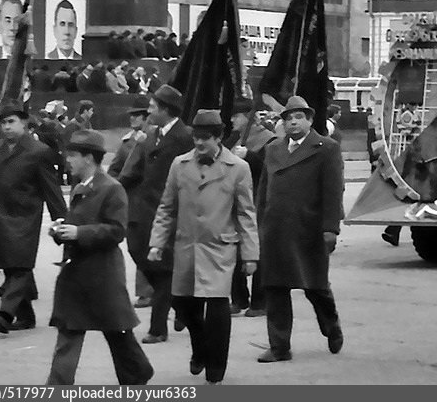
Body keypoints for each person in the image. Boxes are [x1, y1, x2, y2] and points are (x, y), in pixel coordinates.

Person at [148, 110, 257, 385]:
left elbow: (246, 213)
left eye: (206, 138)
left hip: (220, 247)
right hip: (187, 245)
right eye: (196, 137)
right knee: (184, 305)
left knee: (218, 307)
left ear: (219, 137)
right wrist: (157, 242)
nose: (199, 143)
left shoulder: (238, 168)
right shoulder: (179, 165)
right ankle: (199, 349)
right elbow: (166, 207)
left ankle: (216, 370)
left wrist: (251, 254)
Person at [46, 130, 154, 385]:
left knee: (117, 333)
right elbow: (78, 224)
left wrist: (79, 232)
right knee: (68, 333)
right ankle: (57, 386)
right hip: (76, 275)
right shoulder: (79, 187)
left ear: (89, 158)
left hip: (102, 276)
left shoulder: (112, 188)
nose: (67, 160)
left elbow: (117, 231)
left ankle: (137, 373)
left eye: (72, 155)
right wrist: (61, 230)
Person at [256, 96, 345, 363]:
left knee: (315, 287)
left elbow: (333, 191)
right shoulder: (273, 149)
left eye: (298, 117)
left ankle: (331, 326)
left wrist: (330, 228)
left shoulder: (326, 148)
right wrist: (258, 225)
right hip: (275, 229)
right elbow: (263, 190)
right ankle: (279, 347)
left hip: (310, 229)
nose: (293, 122)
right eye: (288, 118)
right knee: (275, 288)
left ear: (309, 120)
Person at [0, 99, 68, 333]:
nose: (6, 127)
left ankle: (5, 313)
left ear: (24, 123)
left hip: (25, 217)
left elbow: (51, 189)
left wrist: (61, 219)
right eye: (3, 123)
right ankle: (26, 317)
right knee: (10, 267)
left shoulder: (39, 152)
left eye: (11, 122)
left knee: (21, 266)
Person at [119, 84, 194, 344]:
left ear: (165, 110)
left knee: (163, 271)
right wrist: (110, 191)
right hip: (143, 212)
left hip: (170, 213)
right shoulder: (150, 135)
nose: (148, 111)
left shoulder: (186, 137)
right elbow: (132, 172)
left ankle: (158, 329)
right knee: (139, 254)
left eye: (152, 107)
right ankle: (182, 307)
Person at [224, 99, 274, 317]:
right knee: (233, 250)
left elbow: (270, 171)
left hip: (258, 202)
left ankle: (260, 301)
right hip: (235, 202)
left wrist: (250, 157)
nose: (233, 120)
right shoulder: (234, 138)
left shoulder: (268, 140)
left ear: (248, 117)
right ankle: (239, 298)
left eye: (236, 116)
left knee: (258, 252)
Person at [108, 96, 155, 310]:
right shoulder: (127, 142)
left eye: (136, 115)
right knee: (137, 245)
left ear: (146, 117)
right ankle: (147, 290)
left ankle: (151, 291)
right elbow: (115, 169)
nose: (132, 119)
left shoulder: (156, 139)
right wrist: (117, 186)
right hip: (133, 200)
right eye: (131, 115)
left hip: (155, 198)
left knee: (153, 244)